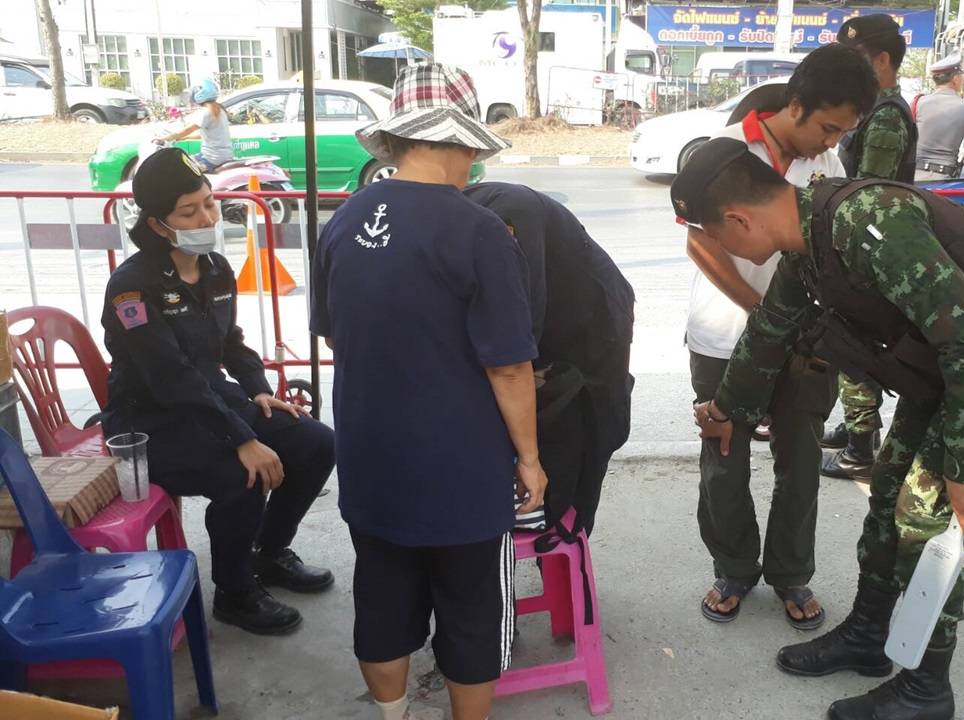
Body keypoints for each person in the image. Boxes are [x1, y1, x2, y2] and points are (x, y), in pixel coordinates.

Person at [679, 137, 964, 720]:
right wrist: (724, 412)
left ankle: (925, 687)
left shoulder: (867, 223)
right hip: (945, 364)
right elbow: (771, 331)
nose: (716, 246)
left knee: (931, 519)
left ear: (739, 219)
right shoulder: (806, 244)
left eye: (715, 234)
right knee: (890, 490)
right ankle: (868, 635)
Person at [310, 64, 546, 720]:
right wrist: (528, 458)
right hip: (461, 468)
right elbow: (509, 368)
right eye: (471, 145)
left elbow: (335, 334)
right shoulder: (479, 233)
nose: (473, 160)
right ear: (454, 143)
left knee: (382, 600)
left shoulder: (342, 220)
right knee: (470, 611)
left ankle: (395, 716)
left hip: (370, 454)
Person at [100, 147, 335, 637]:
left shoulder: (214, 268)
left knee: (316, 443)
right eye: (189, 211)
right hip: (150, 422)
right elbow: (170, 379)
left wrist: (258, 391)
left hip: (211, 402)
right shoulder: (132, 288)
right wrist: (242, 437)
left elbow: (231, 343)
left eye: (208, 202)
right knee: (242, 474)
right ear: (157, 223)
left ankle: (268, 554)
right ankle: (235, 592)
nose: (206, 216)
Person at [683, 43, 873, 631]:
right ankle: (734, 567)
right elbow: (701, 243)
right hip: (722, 335)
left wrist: (802, 327)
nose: (831, 142)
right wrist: (767, 313)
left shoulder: (829, 164)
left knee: (799, 456)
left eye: (844, 132)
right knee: (724, 453)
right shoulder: (725, 154)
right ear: (795, 105)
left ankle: (791, 572)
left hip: (805, 345)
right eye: (827, 127)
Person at [463, 181, 636, 537]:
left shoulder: (509, 213)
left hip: (593, 324)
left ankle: (566, 531)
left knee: (588, 426)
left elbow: (522, 329)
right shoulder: (452, 213)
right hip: (552, 320)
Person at [823, 14, 920, 483]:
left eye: (857, 60)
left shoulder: (884, 117)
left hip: (867, 248)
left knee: (852, 344)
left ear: (882, 60)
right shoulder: (874, 109)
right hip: (868, 245)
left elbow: (869, 195)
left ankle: (861, 449)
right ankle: (855, 427)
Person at [913, 54, 964, 182]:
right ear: (955, 79)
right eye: (962, 75)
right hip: (944, 179)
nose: (963, 78)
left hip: (914, 177)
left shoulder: (919, 103)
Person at [157, 79, 234, 172]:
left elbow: (186, 130)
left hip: (212, 158)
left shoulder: (206, 112)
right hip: (224, 155)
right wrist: (182, 138)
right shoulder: (219, 110)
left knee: (180, 169)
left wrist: (164, 138)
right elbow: (208, 135)